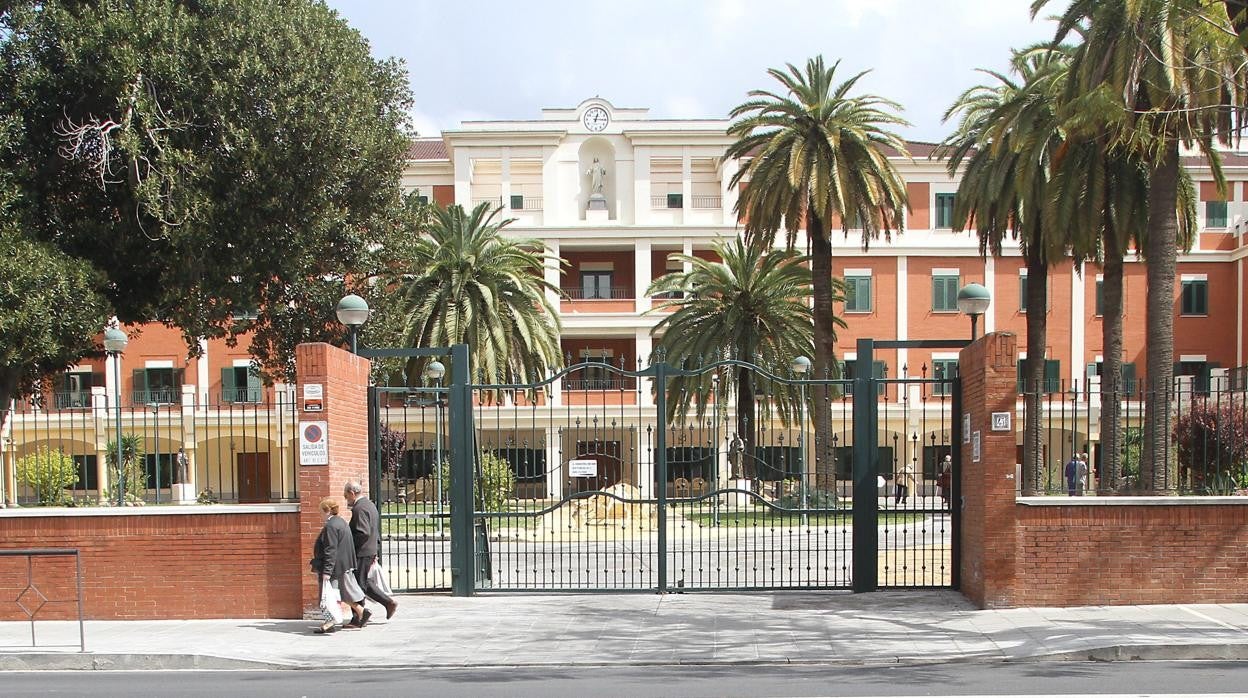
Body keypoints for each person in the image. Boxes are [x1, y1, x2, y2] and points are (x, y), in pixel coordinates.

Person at [343, 480, 398, 624]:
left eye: (346, 495)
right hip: (370, 549)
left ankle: (358, 618)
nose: (346, 499)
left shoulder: (359, 508)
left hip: (362, 551)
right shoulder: (370, 505)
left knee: (356, 585)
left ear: (352, 493)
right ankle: (388, 603)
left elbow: (363, 532)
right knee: (362, 581)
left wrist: (350, 547)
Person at [310, 497, 366, 634]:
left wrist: (327, 571)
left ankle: (330, 622)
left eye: (321, 511)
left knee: (329, 595)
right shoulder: (340, 522)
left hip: (334, 567)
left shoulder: (331, 526)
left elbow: (331, 549)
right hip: (342, 565)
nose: (320, 514)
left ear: (327, 510)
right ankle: (360, 612)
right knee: (339, 594)